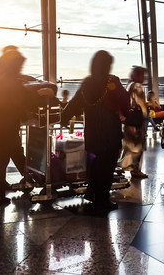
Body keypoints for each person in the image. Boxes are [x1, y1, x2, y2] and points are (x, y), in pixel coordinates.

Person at [0, 49, 54, 211]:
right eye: (19, 66)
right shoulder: (8, 79)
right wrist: (42, 92)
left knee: (4, 159)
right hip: (4, 128)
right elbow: (20, 98)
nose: (20, 69)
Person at [62, 50, 129, 210]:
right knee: (107, 167)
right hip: (110, 134)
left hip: (92, 134)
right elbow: (125, 101)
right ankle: (102, 199)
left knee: (96, 163)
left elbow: (73, 104)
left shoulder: (87, 83)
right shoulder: (112, 82)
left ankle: (91, 192)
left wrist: (64, 118)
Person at [121, 66, 148, 179]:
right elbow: (141, 105)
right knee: (137, 146)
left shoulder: (129, 85)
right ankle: (136, 170)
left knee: (128, 147)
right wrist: (145, 113)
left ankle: (125, 168)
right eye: (142, 75)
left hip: (128, 120)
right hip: (135, 121)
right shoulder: (137, 86)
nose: (144, 77)